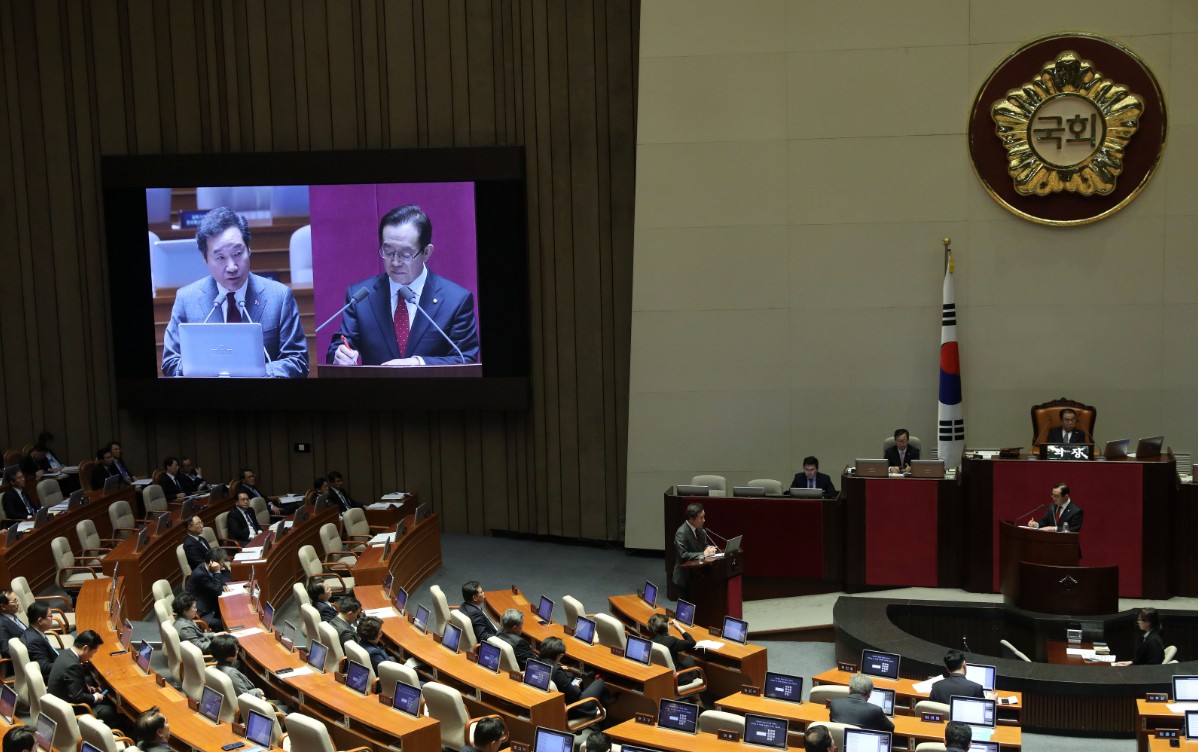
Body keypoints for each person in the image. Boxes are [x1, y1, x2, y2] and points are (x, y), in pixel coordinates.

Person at [161, 206, 309, 378]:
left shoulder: (280, 297)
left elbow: (298, 361)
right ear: (205, 259)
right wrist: (211, 370)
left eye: (238, 253)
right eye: (220, 258)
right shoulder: (186, 300)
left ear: (249, 249)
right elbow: (170, 362)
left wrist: (251, 373)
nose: (232, 267)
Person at [327, 204, 480, 367]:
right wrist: (339, 355)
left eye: (405, 254)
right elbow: (339, 346)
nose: (395, 262)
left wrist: (418, 363)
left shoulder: (455, 301)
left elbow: (465, 359)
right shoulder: (360, 296)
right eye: (388, 252)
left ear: (427, 252)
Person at [47, 629, 119, 724]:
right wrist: (94, 697)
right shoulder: (73, 666)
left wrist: (88, 688)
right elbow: (77, 697)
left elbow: (72, 683)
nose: (92, 656)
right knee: (110, 710)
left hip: (59, 701)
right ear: (85, 648)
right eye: (93, 652)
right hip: (69, 709)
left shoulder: (65, 653)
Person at [537, 636, 607, 717]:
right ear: (560, 655)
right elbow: (575, 694)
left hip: (550, 706)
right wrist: (576, 686)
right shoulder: (557, 671)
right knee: (600, 682)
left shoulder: (536, 663)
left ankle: (604, 709)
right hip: (572, 708)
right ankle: (605, 716)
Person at [672, 503, 717, 601]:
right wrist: (704, 554)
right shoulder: (681, 533)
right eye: (701, 518)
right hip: (685, 578)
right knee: (685, 612)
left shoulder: (700, 530)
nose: (704, 520)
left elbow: (704, 544)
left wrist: (709, 548)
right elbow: (683, 555)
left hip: (698, 576)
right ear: (691, 519)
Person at [828, 673, 894, 732]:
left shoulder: (834, 703)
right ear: (869, 693)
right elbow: (890, 728)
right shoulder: (876, 710)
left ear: (850, 689)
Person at [209, 633, 265, 698]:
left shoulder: (218, 666)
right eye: (236, 649)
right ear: (227, 655)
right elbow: (244, 696)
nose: (237, 650)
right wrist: (258, 691)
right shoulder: (232, 674)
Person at [187, 549, 228, 630]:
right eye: (221, 563)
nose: (223, 566)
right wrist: (217, 572)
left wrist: (222, 584)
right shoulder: (201, 574)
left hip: (210, 603)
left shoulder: (206, 568)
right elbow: (217, 592)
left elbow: (214, 585)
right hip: (200, 612)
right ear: (212, 562)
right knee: (221, 623)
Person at [21, 601, 61, 677]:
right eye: (50, 616)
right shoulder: (35, 641)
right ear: (40, 621)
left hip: (55, 658)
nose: (52, 618)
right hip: (54, 678)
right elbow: (44, 668)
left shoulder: (32, 631)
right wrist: (67, 663)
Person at [0, 590, 27, 658]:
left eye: (16, 599)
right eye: (14, 601)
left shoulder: (11, 615)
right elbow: (6, 651)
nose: (17, 603)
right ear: (3, 606)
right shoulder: (1, 625)